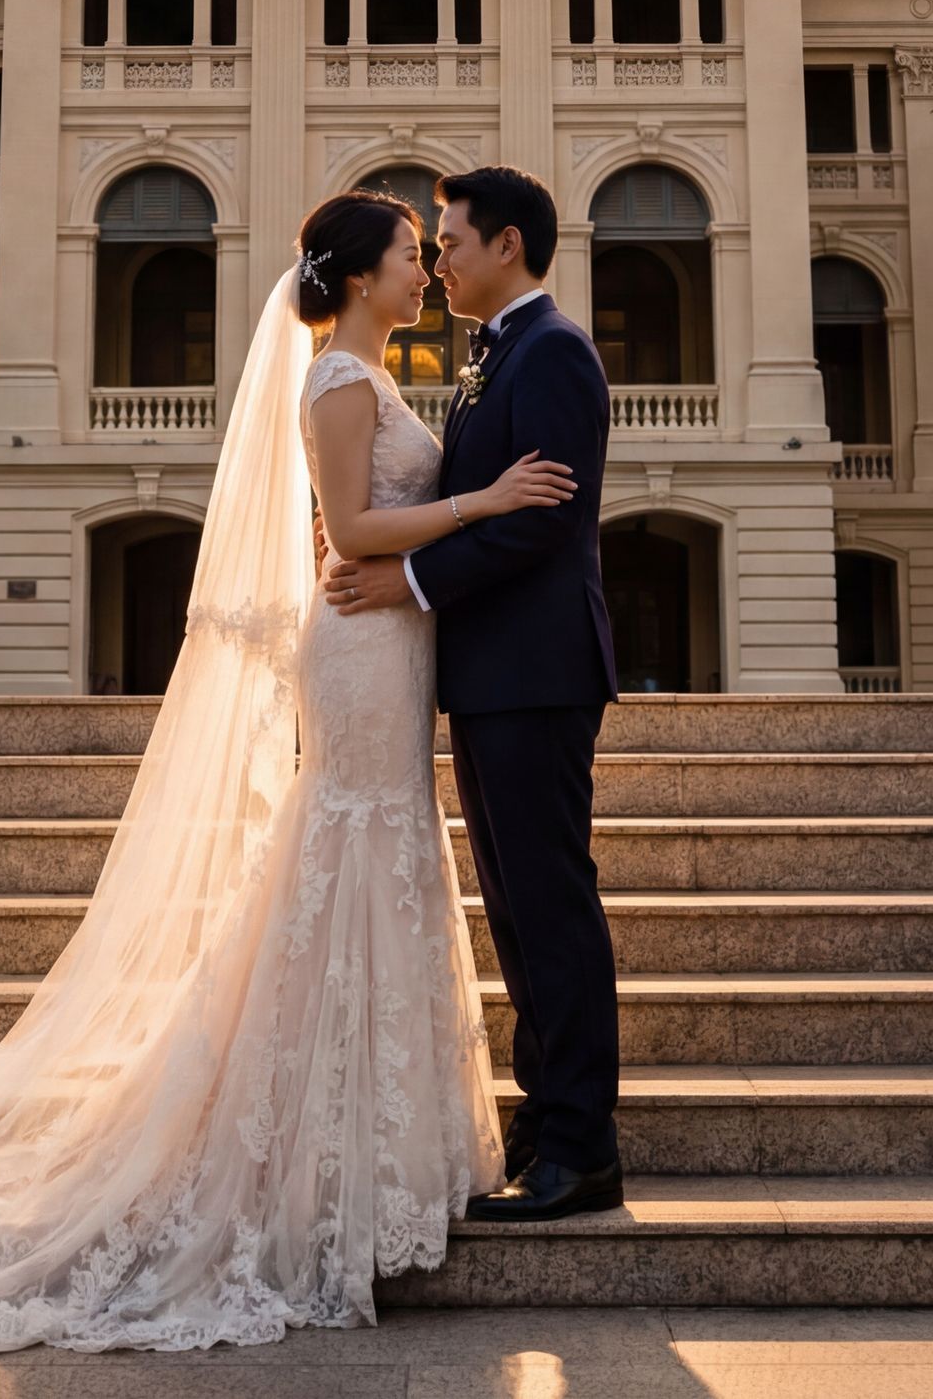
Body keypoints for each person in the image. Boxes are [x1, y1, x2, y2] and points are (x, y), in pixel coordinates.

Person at [0, 188, 578, 1368]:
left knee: (380, 853)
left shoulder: (378, 377)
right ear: (361, 273)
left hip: (397, 644)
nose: (427, 267)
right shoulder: (335, 381)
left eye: (436, 251)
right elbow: (346, 532)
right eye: (410, 253)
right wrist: (481, 500)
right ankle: (314, 1146)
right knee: (352, 847)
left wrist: (446, 530)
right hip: (366, 639)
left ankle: (382, 1140)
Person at [324, 165, 623, 1221]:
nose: (439, 259)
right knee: (520, 909)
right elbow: (476, 500)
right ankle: (548, 1127)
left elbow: (540, 519)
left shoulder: (554, 353)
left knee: (550, 904)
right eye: (431, 246)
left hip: (538, 675)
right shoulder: (490, 359)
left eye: (450, 241)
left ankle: (581, 1146)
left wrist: (401, 579)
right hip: (491, 677)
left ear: (506, 245)